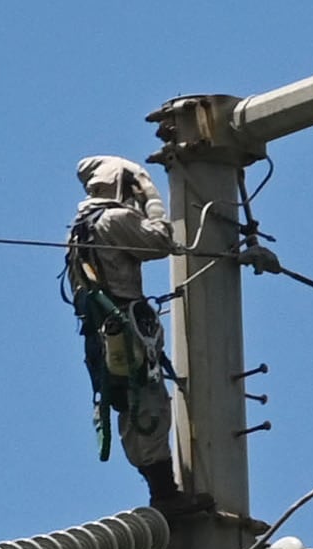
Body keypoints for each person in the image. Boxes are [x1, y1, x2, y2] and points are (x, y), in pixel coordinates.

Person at [66, 155, 196, 515]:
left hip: (101, 335)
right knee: (147, 406)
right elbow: (160, 243)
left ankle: (163, 491)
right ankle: (166, 495)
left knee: (130, 405)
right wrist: (153, 201)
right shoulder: (115, 219)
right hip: (125, 328)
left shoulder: (80, 225)